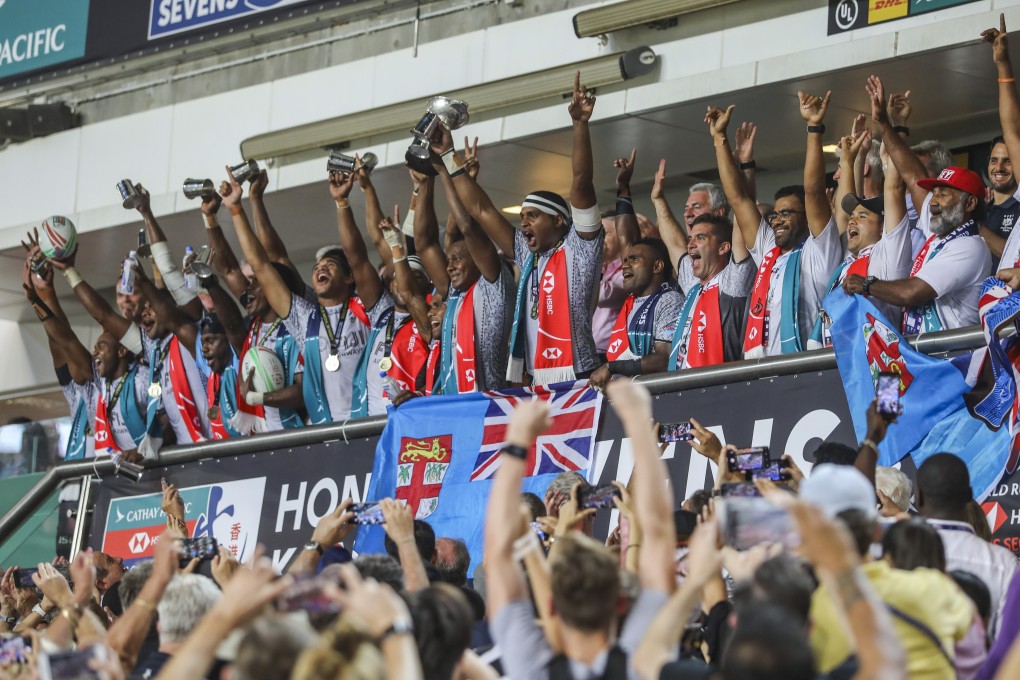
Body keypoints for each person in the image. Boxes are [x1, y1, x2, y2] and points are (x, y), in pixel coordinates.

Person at [485, 379, 674, 679]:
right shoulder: (640, 661)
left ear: (553, 606)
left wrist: (518, 436)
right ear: (621, 600)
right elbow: (658, 534)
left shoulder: (530, 666)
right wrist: (639, 427)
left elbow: (497, 557)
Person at [437, 73, 605, 385]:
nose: (524, 222)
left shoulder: (580, 246)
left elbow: (581, 183)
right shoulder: (527, 256)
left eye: (533, 216)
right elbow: (482, 210)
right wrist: (449, 156)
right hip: (533, 381)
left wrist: (580, 125)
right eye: (522, 216)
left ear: (558, 221)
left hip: (580, 377)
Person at [222, 170, 372, 424]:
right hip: (325, 430)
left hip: (369, 422)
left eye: (331, 265)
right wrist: (236, 209)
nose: (321, 268)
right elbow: (261, 265)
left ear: (349, 278)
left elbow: (357, 256)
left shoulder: (367, 306)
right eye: (316, 267)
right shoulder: (304, 317)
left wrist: (342, 203)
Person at [803, 465, 975, 678]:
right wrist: (908, 525)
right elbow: (971, 633)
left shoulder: (815, 608)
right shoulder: (927, 585)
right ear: (877, 530)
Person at [707, 92, 843, 358]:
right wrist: (719, 139)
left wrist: (814, 128)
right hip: (762, 370)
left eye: (787, 213)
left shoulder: (819, 251)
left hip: (804, 368)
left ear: (807, 217)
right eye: (775, 214)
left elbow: (813, 191)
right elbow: (738, 198)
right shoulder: (768, 250)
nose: (778, 219)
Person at [864, 75, 991, 332]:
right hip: (926, 357)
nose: (935, 200)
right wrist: (885, 124)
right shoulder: (938, 230)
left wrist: (866, 285)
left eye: (945, 194)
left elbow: (912, 292)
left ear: (969, 204)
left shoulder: (969, 246)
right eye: (935, 192)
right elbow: (911, 174)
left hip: (953, 360)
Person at [21, 246, 149, 461]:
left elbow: (164, 422)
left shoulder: (142, 379)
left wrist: (144, 452)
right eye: (95, 347)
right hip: (100, 481)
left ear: (122, 349)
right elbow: (65, 340)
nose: (94, 351)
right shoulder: (96, 384)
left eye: (102, 346)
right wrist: (37, 298)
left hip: (145, 473)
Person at [820, 126, 913, 343]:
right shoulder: (846, 263)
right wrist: (856, 158)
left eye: (862, 216)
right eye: (852, 216)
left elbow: (894, 189)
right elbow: (853, 195)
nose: (852, 220)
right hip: (837, 362)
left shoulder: (888, 254)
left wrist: (891, 148)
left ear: (883, 227)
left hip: (878, 366)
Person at [915, 453, 1018, 639]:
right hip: (984, 667)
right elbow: (1007, 642)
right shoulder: (1004, 563)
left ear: (918, 497)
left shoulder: (892, 551)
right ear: (970, 496)